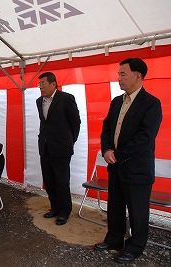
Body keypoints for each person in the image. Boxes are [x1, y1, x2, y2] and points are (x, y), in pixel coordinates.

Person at [94, 58, 162, 264]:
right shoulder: (117, 101)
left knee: (137, 211)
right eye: (119, 73)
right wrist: (106, 149)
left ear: (138, 76)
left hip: (136, 168)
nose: (119, 77)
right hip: (115, 165)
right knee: (115, 206)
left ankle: (135, 247)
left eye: (123, 73)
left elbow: (145, 137)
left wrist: (118, 155)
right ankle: (114, 240)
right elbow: (107, 128)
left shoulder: (151, 103)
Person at [36, 72, 81, 226]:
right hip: (45, 146)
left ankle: (64, 211)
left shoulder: (66, 98)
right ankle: (54, 207)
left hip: (61, 147)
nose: (40, 86)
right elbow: (45, 123)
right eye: (39, 84)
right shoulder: (39, 101)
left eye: (43, 83)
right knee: (48, 179)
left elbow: (76, 122)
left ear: (53, 84)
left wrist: (71, 140)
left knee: (62, 180)